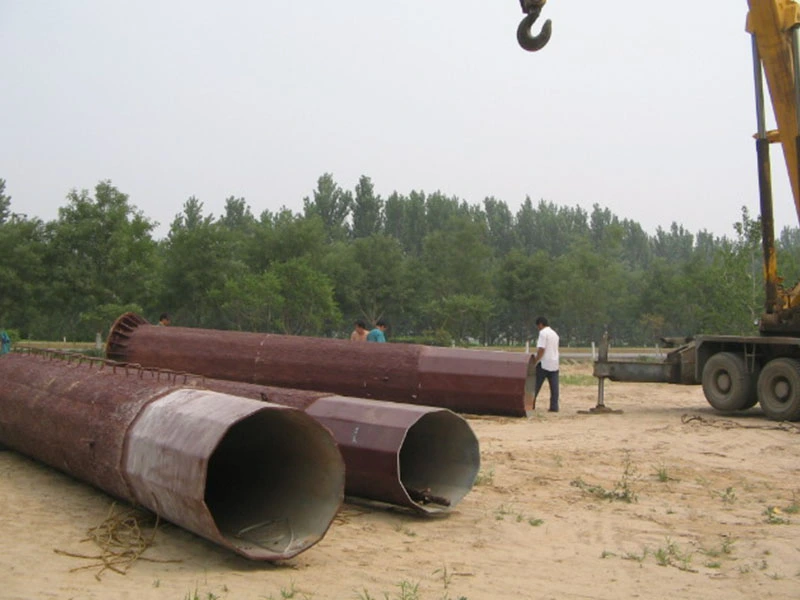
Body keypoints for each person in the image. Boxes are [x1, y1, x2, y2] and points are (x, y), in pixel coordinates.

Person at [532, 316, 559, 412]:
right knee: (554, 387)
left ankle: (531, 404)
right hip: (554, 363)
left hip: (544, 363)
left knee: (535, 385)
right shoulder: (555, 334)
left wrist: (535, 360)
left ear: (540, 324)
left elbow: (541, 349)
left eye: (538, 326)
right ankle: (554, 406)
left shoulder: (543, 333)